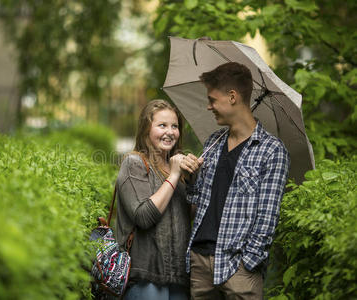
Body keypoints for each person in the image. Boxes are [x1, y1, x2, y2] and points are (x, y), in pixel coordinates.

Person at [180, 62, 290, 299]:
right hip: (200, 263)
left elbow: (267, 218)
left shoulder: (271, 151)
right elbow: (198, 202)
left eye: (212, 99)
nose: (209, 107)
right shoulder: (213, 143)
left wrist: (248, 262)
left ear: (232, 97)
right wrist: (191, 180)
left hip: (239, 270)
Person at [115, 99, 190, 299]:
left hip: (179, 275)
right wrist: (173, 176)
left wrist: (192, 179)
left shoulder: (178, 168)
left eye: (174, 126)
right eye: (162, 125)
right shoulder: (134, 164)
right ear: (146, 129)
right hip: (144, 276)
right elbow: (143, 217)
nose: (170, 132)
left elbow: (189, 216)